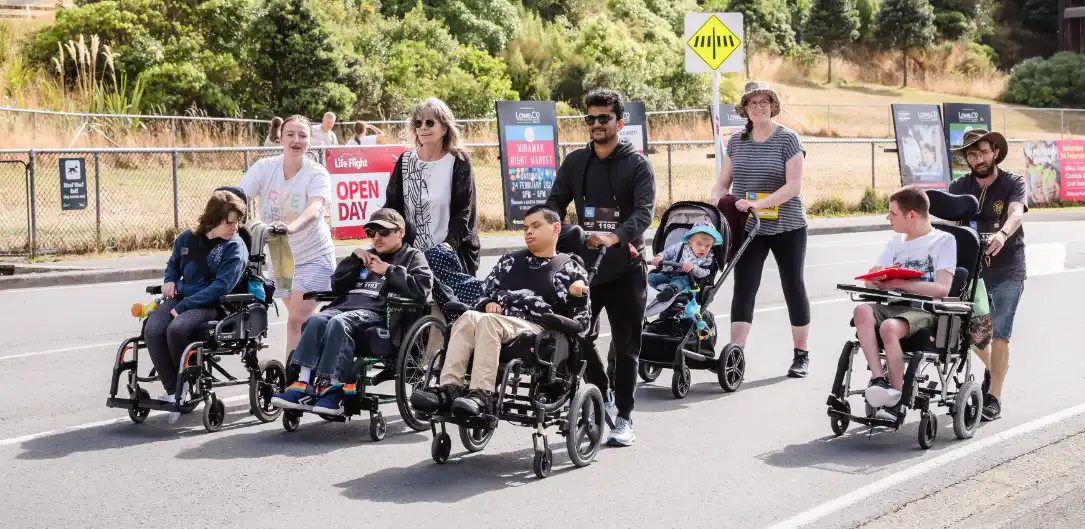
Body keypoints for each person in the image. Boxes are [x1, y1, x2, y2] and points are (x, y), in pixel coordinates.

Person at [545, 88, 655, 447]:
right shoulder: (576, 162)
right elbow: (555, 205)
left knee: (626, 348)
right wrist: (546, 230)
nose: (595, 124)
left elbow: (643, 213)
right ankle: (603, 393)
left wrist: (617, 237)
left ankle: (624, 416)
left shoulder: (638, 165)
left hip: (626, 267)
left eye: (603, 118)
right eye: (589, 118)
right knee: (578, 335)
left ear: (619, 123)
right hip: (586, 270)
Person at [409, 206, 590, 417]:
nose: (528, 232)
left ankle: (482, 395)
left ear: (555, 228)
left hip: (537, 329)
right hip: (499, 321)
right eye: (525, 228)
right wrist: (487, 303)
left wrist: (578, 296)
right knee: (468, 316)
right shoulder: (510, 261)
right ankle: (448, 389)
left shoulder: (570, 270)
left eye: (536, 226)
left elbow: (581, 323)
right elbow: (483, 292)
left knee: (488, 322)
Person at [270, 209, 433, 415]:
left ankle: (335, 390)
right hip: (345, 307)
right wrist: (352, 261)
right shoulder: (364, 256)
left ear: (400, 232)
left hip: (377, 314)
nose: (377, 238)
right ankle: (302, 385)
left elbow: (423, 289)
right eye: (371, 232)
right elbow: (336, 285)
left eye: (383, 232)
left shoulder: (412, 257)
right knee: (316, 320)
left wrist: (389, 270)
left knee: (339, 323)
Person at [709, 80, 811, 379]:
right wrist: (715, 196)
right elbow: (723, 180)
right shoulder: (737, 141)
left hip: (786, 225)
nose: (758, 107)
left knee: (793, 285)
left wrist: (761, 202)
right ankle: (736, 354)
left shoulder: (788, 139)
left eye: (763, 101)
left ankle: (801, 354)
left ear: (772, 105)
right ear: (745, 109)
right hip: (749, 226)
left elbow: (793, 185)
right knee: (744, 287)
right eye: (752, 103)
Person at [852, 186, 956, 419]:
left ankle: (895, 399)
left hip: (926, 309)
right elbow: (872, 285)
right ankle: (879, 380)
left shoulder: (944, 241)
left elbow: (942, 288)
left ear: (912, 215)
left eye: (893, 213)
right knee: (861, 311)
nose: (888, 218)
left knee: (889, 327)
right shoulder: (895, 242)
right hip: (894, 306)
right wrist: (876, 278)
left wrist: (900, 283)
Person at [146, 189, 248, 423]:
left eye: (238, 222)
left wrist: (183, 306)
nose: (235, 227)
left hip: (212, 304)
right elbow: (173, 263)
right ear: (213, 219)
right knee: (151, 329)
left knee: (177, 329)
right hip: (181, 298)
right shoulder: (187, 238)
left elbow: (221, 287)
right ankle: (174, 390)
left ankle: (187, 382)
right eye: (230, 222)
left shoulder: (235, 247)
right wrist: (169, 280)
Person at [239, 114, 336, 357]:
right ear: (280, 138)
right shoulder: (265, 168)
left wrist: (291, 227)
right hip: (280, 258)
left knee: (296, 319)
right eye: (290, 134)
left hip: (314, 256)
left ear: (310, 142)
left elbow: (316, 209)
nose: (296, 140)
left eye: (302, 135)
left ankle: (294, 379)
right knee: (301, 321)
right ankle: (317, 356)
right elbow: (239, 196)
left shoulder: (316, 173)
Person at [948, 128, 1027, 422]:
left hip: (1008, 268)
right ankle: (995, 369)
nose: (977, 158)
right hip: (973, 270)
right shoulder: (960, 186)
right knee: (974, 332)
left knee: (1001, 334)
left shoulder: (1012, 182)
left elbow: (1016, 213)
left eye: (982, 152)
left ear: (994, 152)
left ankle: (993, 396)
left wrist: (1003, 234)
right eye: (971, 154)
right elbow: (945, 219)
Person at [384, 97, 482, 306]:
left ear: (444, 128)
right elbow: (392, 206)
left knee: (453, 312)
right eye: (418, 123)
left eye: (430, 123)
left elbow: (464, 211)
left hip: (448, 252)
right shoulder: (405, 161)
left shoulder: (458, 161)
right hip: (412, 254)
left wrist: (449, 245)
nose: (423, 128)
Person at [648, 222, 722, 303]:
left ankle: (669, 291)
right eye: (699, 244)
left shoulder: (707, 258)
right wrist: (660, 257)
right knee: (652, 277)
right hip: (667, 273)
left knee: (679, 281)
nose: (703, 248)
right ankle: (645, 290)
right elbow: (667, 253)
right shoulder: (679, 247)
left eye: (707, 246)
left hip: (686, 278)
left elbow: (705, 272)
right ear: (690, 243)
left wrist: (694, 267)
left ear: (712, 246)